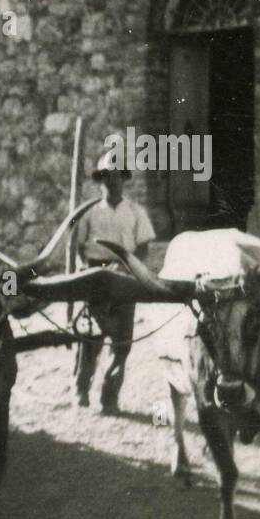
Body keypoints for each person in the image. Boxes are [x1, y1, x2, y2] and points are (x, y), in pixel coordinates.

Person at [72, 159, 156, 414]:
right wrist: (84, 270)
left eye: (117, 176)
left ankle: (110, 397)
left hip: (123, 277)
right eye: (107, 176)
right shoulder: (89, 211)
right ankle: (81, 389)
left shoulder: (135, 211)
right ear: (101, 181)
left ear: (123, 179)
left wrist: (128, 267)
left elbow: (142, 247)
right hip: (95, 277)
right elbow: (78, 247)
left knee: (122, 342)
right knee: (89, 337)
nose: (112, 181)